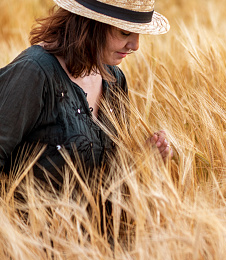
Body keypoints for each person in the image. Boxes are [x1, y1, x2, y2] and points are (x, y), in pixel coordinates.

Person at [0, 0, 172, 186]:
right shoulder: (33, 73)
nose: (135, 45)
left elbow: (107, 178)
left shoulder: (114, 80)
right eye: (124, 32)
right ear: (91, 24)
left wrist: (143, 159)